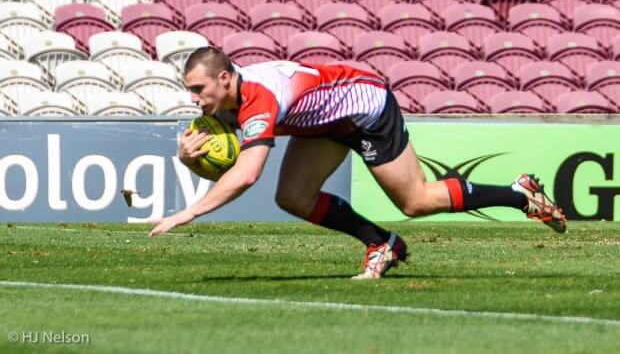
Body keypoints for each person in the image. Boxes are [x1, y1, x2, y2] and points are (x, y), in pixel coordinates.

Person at [148, 47, 567, 280]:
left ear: (224, 77)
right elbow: (224, 152)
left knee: (416, 202)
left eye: (198, 89)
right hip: (327, 121)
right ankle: (381, 243)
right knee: (293, 197)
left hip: (365, 107)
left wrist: (191, 211)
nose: (194, 99)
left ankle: (518, 195)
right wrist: (189, 159)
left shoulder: (259, 96)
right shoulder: (233, 95)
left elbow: (247, 171)